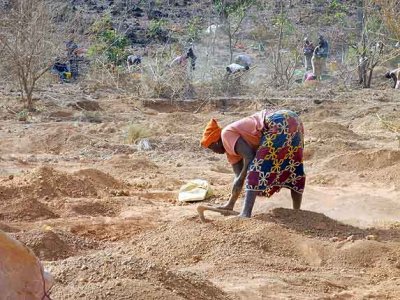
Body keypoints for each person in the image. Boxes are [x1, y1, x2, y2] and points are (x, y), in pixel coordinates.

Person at [200, 109, 306, 218]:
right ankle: (296, 212)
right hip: (294, 120)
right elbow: (238, 176)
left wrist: (242, 177)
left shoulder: (226, 134)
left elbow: (250, 157)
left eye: (212, 147)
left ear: (216, 141)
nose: (214, 152)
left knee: (255, 167)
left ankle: (245, 214)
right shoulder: (230, 151)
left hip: (278, 121)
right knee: (293, 165)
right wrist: (230, 204)